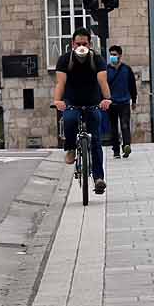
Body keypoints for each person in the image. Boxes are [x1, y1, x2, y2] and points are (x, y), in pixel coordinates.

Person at [52, 28, 113, 196]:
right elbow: (60, 83)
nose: (81, 47)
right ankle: (70, 148)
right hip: (72, 101)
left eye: (84, 44)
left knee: (96, 140)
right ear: (72, 44)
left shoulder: (97, 59)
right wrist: (57, 101)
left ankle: (99, 178)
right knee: (70, 119)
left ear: (90, 44)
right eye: (78, 44)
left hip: (92, 101)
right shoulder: (65, 60)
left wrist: (107, 98)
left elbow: (102, 80)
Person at [105, 44, 137, 159]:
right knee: (113, 128)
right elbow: (102, 86)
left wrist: (134, 100)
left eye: (114, 55)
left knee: (124, 125)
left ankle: (126, 145)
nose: (112, 57)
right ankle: (116, 150)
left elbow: (132, 85)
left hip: (124, 102)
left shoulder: (126, 69)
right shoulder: (106, 70)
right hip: (111, 103)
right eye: (111, 55)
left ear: (120, 56)